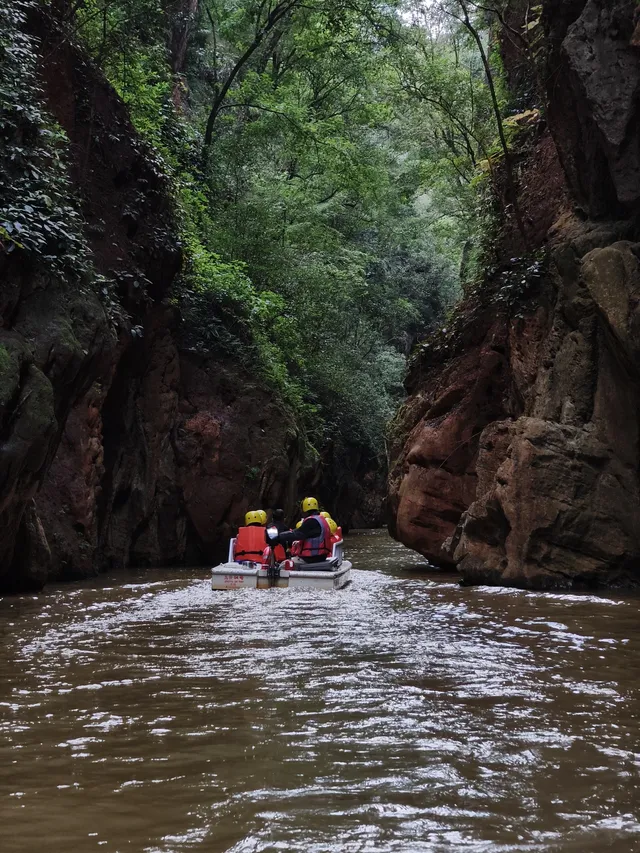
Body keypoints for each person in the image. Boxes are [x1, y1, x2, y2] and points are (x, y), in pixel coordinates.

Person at [275, 497, 333, 564]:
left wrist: (279, 536)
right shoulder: (321, 519)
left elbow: (297, 534)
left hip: (311, 558)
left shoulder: (311, 521)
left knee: (283, 565)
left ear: (305, 510)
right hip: (322, 556)